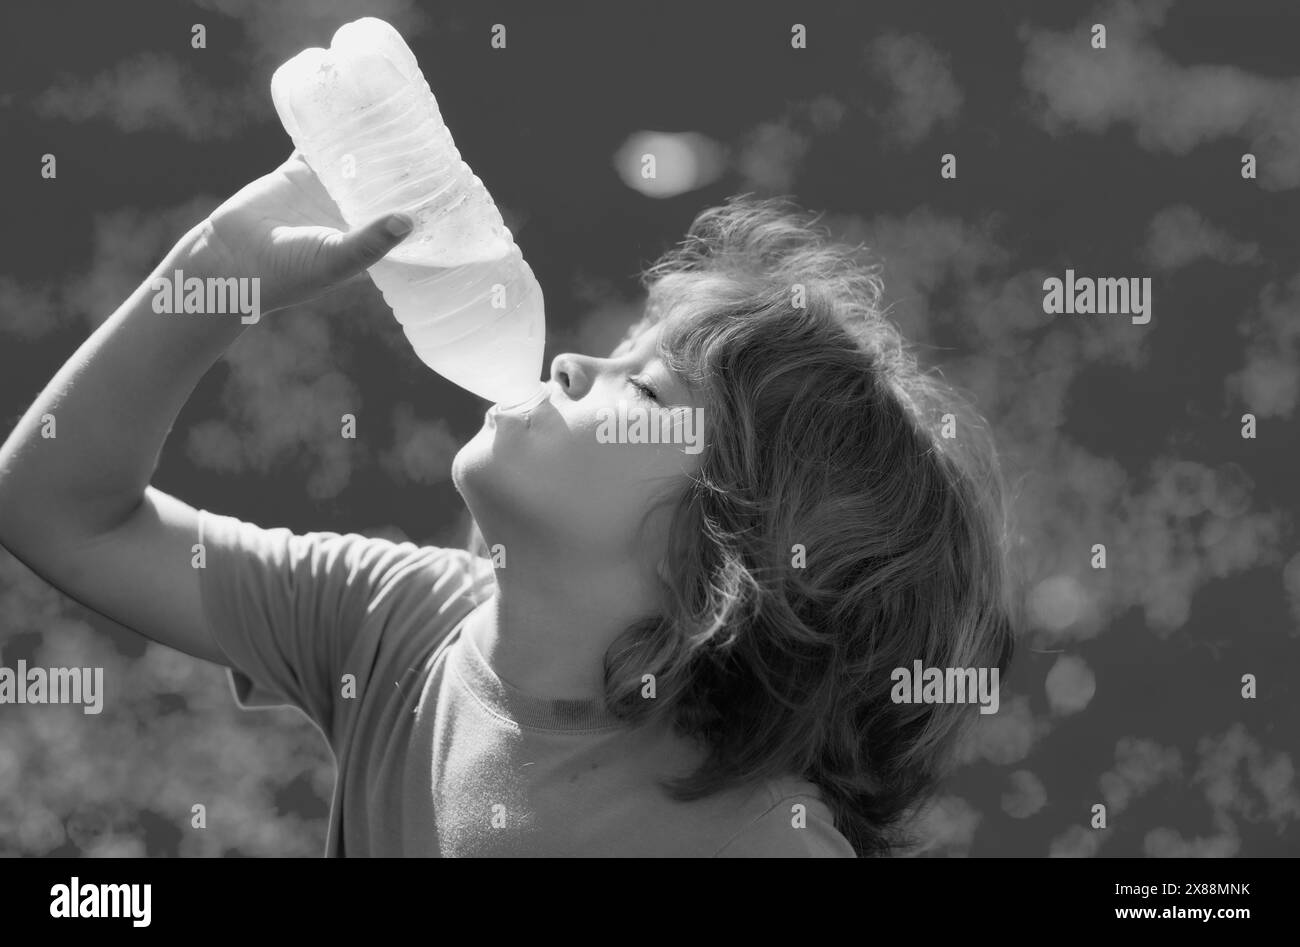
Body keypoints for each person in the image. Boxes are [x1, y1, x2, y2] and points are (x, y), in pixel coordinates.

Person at [0, 152, 1019, 857]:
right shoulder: (393, 626)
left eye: (646, 386)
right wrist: (218, 269)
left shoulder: (757, 840)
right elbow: (57, 505)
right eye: (623, 343)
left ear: (731, 550)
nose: (576, 360)